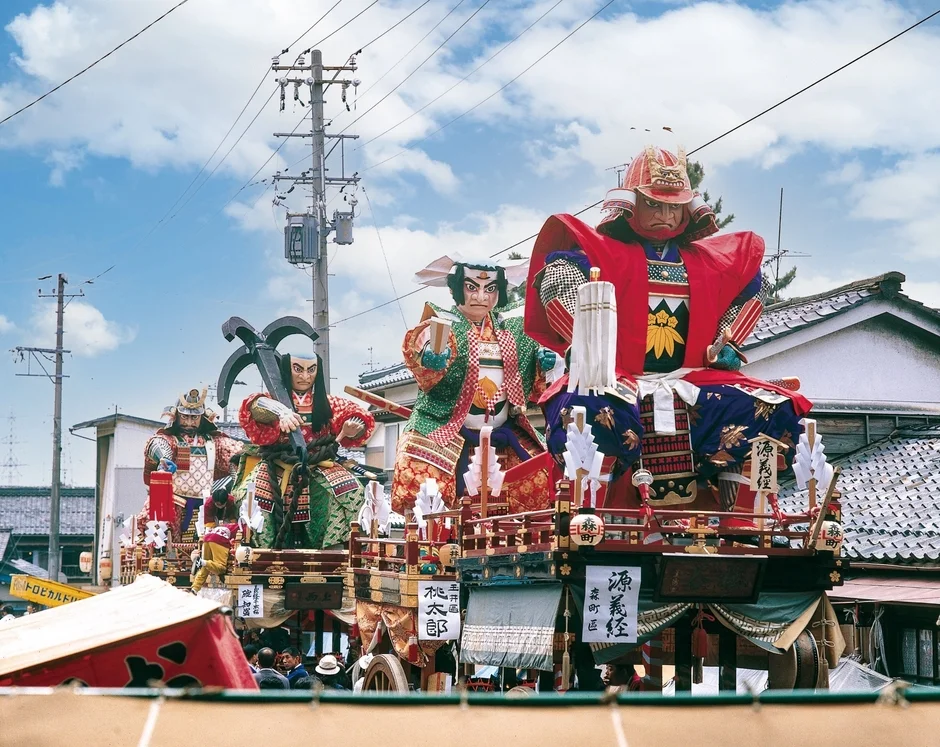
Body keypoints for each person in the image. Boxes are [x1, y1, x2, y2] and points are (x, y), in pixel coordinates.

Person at [525, 146, 811, 531]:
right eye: (654, 205)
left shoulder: (707, 261)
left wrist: (728, 342)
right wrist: (584, 340)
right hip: (617, 377)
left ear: (688, 210)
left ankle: (732, 491)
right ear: (631, 206)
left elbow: (753, 286)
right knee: (587, 407)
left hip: (690, 376)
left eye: (673, 207)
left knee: (772, 405)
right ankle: (597, 502)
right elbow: (555, 275)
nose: (665, 216)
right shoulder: (603, 253)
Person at [391, 256, 555, 515]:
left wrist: (543, 362)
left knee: (540, 477)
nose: (481, 296)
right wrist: (431, 356)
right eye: (471, 287)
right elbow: (422, 341)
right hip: (443, 426)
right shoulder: (443, 321)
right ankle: (427, 539)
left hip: (504, 428)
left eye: (490, 289)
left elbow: (538, 356)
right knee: (420, 477)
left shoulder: (513, 327)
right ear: (456, 288)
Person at [236, 353, 375, 549]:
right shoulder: (272, 400)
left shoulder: (327, 402)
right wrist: (280, 411)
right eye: (298, 369)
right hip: (277, 465)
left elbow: (356, 413)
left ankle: (335, 550)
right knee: (251, 496)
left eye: (311, 370)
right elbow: (253, 406)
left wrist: (354, 426)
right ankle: (260, 552)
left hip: (319, 465)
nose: (305, 376)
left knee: (350, 491)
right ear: (287, 369)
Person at [142, 388, 244, 541]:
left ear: (202, 418)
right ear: (176, 417)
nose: (189, 422)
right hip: (174, 501)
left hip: (207, 503)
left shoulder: (213, 442)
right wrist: (165, 457)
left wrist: (239, 469)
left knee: (214, 534)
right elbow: (157, 443)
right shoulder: (171, 440)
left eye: (194, 418)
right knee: (161, 526)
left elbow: (234, 452)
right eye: (185, 417)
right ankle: (160, 551)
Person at [190, 523, 239, 593]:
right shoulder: (240, 527)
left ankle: (195, 589)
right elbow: (235, 543)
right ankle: (201, 562)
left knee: (205, 568)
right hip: (220, 539)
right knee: (221, 568)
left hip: (206, 538)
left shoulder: (223, 525)